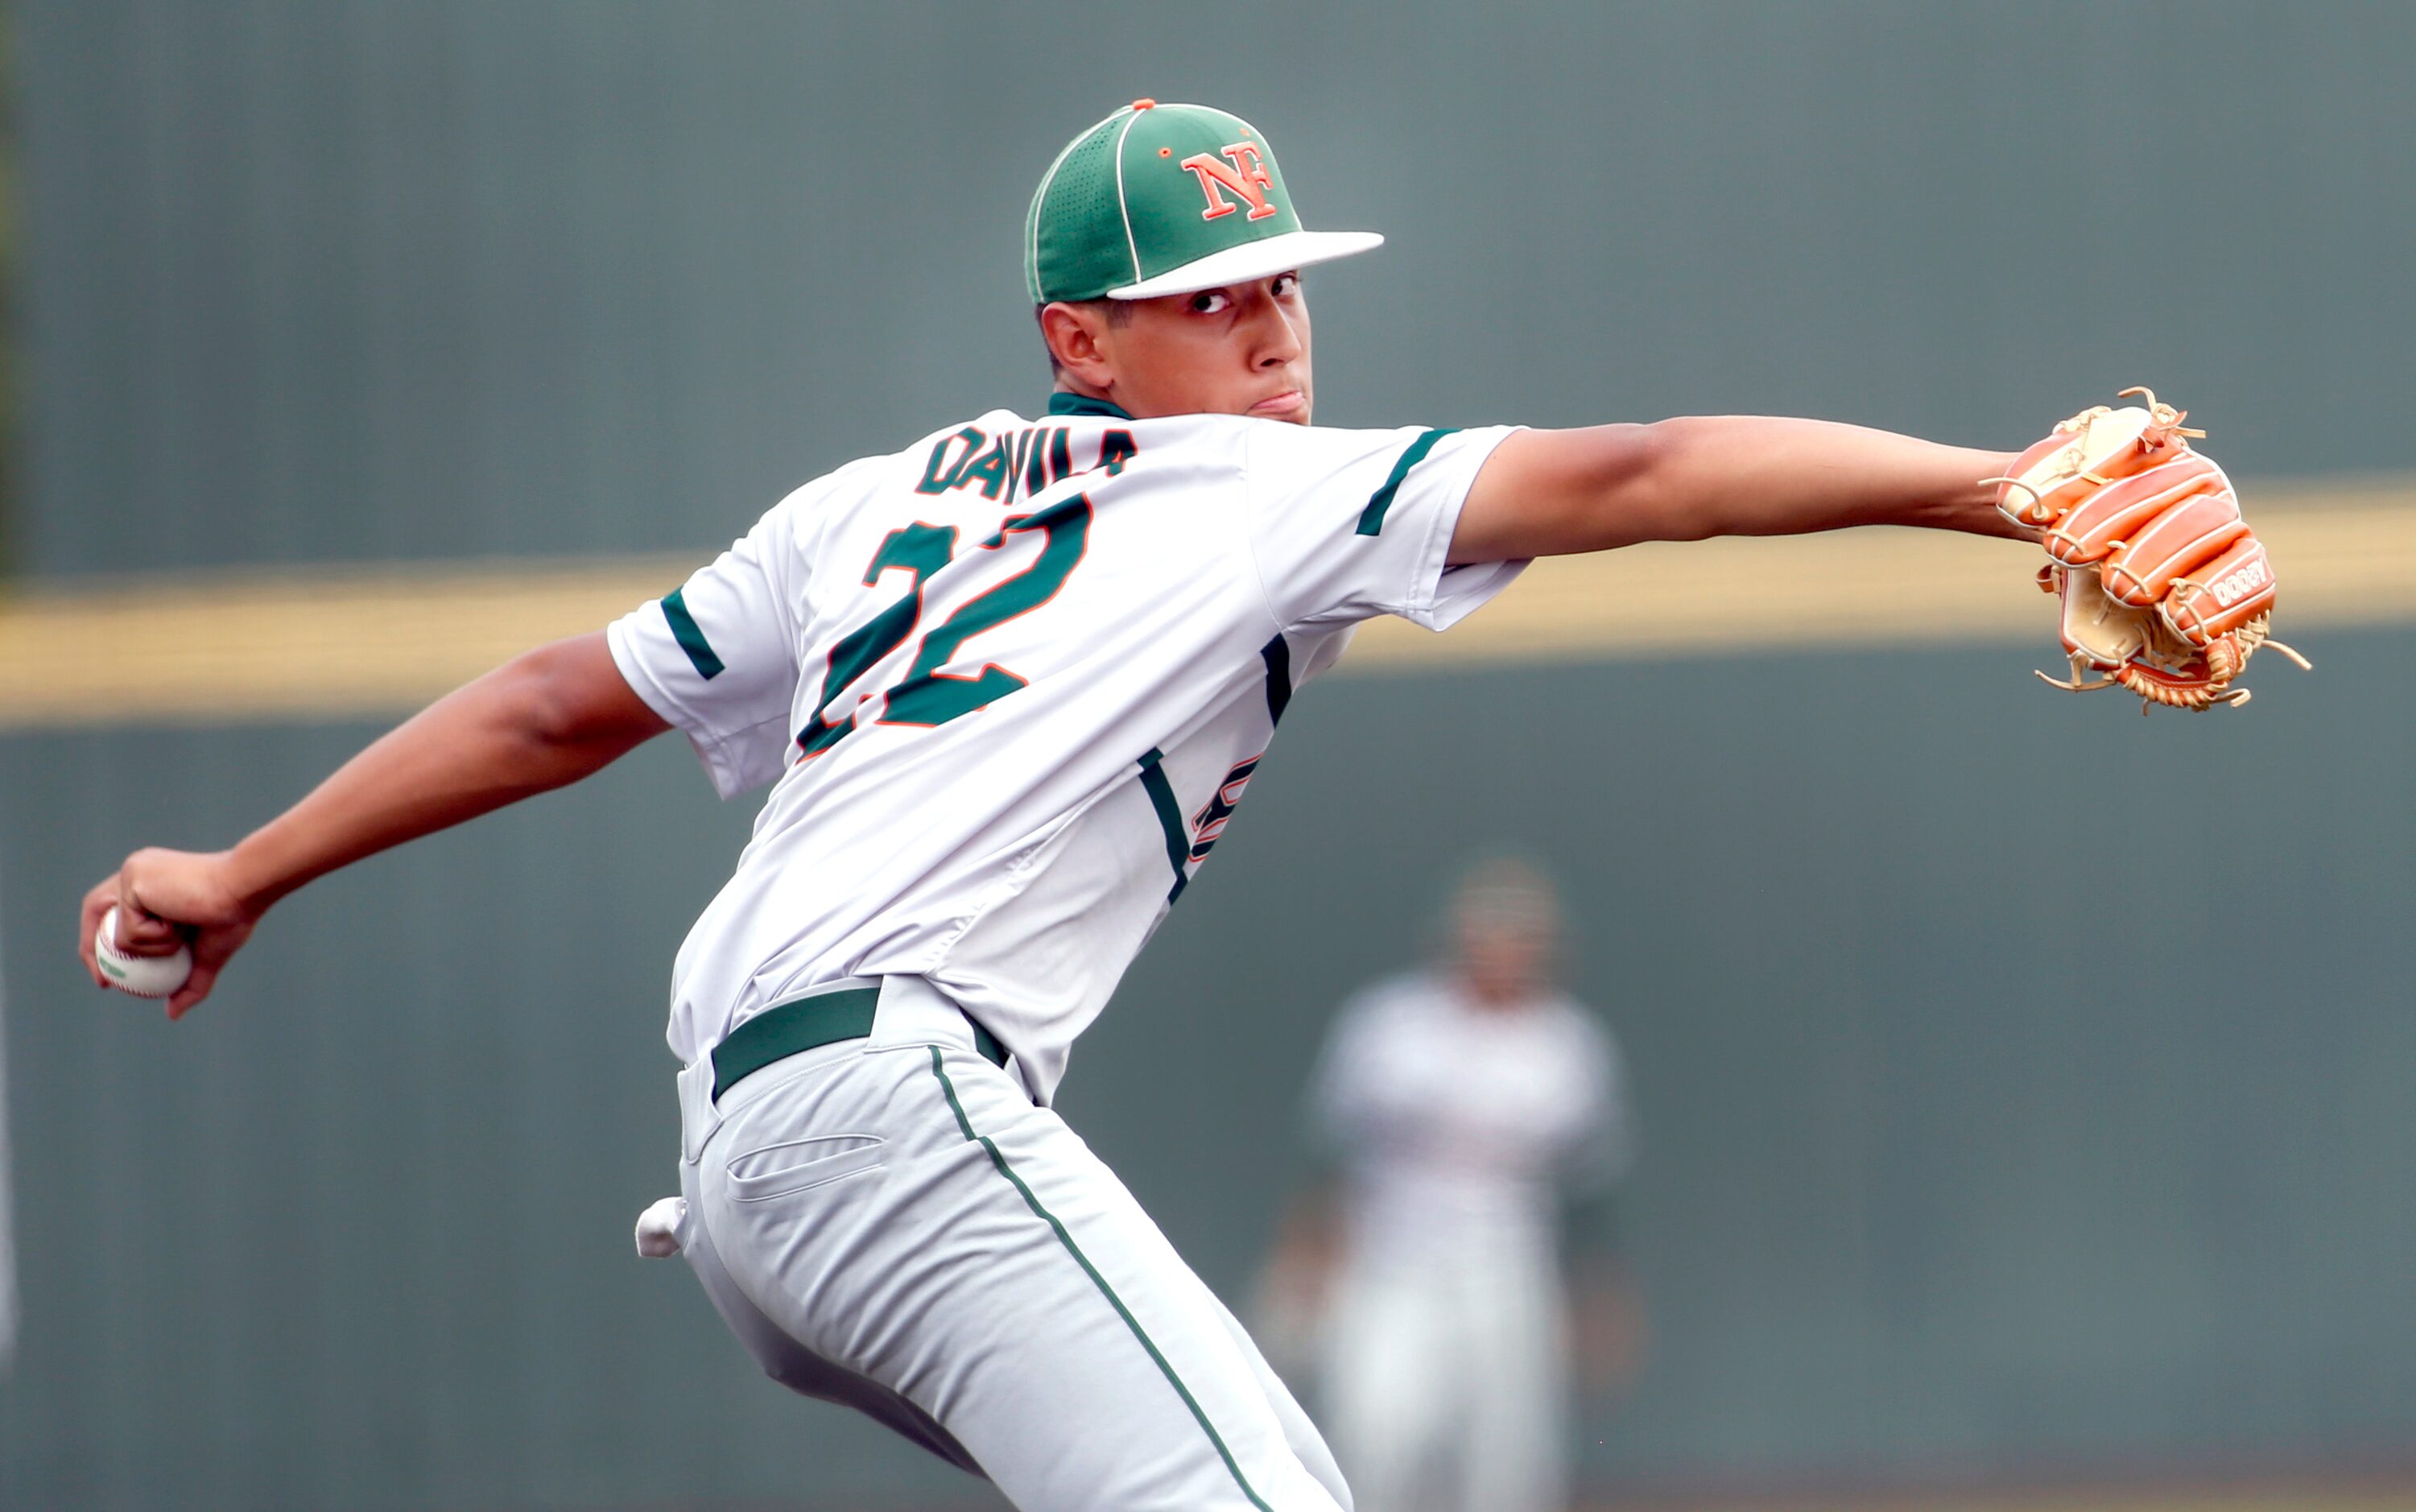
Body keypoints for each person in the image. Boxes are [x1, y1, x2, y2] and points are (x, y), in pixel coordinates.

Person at [81, 99, 2036, 1511]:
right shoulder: (1265, 492)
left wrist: (246, 865)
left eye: (1279, 284)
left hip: (767, 1166)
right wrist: (2001, 484)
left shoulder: (858, 511)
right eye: (1210, 300)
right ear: (1079, 342)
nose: (1269, 332)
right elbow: (1648, 469)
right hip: (888, 1119)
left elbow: (541, 708)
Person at [1259, 857, 1638, 1512]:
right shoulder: (1390, 1024)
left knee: (1508, 1460)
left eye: (1517, 934)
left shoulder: (1569, 1045)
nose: (1500, 948)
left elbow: (1589, 1192)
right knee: (1374, 1431)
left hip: (1506, 1264)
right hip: (1389, 1261)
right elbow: (1329, 1157)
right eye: (1487, 930)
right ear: (1457, 937)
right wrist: (1304, 1261)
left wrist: (1597, 1299)